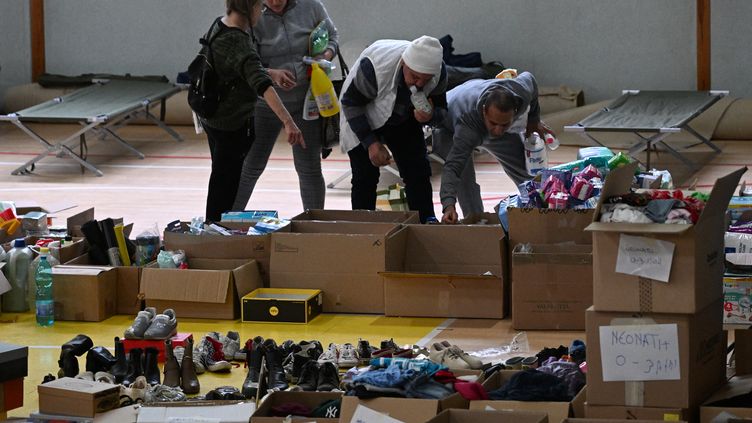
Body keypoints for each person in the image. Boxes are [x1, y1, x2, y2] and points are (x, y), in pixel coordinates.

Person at [199, 0, 304, 222]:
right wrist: (288, 121)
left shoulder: (219, 25)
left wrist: (270, 72)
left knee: (219, 180)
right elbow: (262, 85)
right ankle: (215, 236)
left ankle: (214, 231)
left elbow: (241, 68)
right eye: (260, 7)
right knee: (224, 189)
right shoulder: (239, 40)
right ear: (250, 9)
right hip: (231, 125)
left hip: (212, 118)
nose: (262, 12)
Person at [233, 0, 338, 212]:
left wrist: (324, 55)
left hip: (306, 103)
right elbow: (244, 61)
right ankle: (227, 220)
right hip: (265, 102)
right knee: (251, 166)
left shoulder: (312, 6)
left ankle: (314, 223)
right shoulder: (251, 13)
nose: (275, 2)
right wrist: (271, 74)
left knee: (309, 168)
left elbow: (333, 37)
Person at [339, 36, 448, 223]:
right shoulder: (374, 67)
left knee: (418, 172)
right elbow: (350, 103)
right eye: (415, 77)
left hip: (403, 118)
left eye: (426, 79)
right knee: (365, 176)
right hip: (363, 114)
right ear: (404, 63)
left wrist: (431, 116)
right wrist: (371, 143)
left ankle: (425, 223)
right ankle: (362, 228)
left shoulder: (439, 72)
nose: (420, 84)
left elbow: (442, 110)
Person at [437, 72, 555, 224]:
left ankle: (546, 212)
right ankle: (477, 223)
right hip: (448, 123)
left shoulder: (521, 93)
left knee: (526, 170)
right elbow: (453, 168)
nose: (498, 130)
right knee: (464, 180)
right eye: (494, 123)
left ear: (515, 111)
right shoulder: (468, 128)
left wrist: (533, 119)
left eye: (504, 124)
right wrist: (448, 205)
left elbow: (530, 78)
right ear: (485, 111)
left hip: (476, 93)